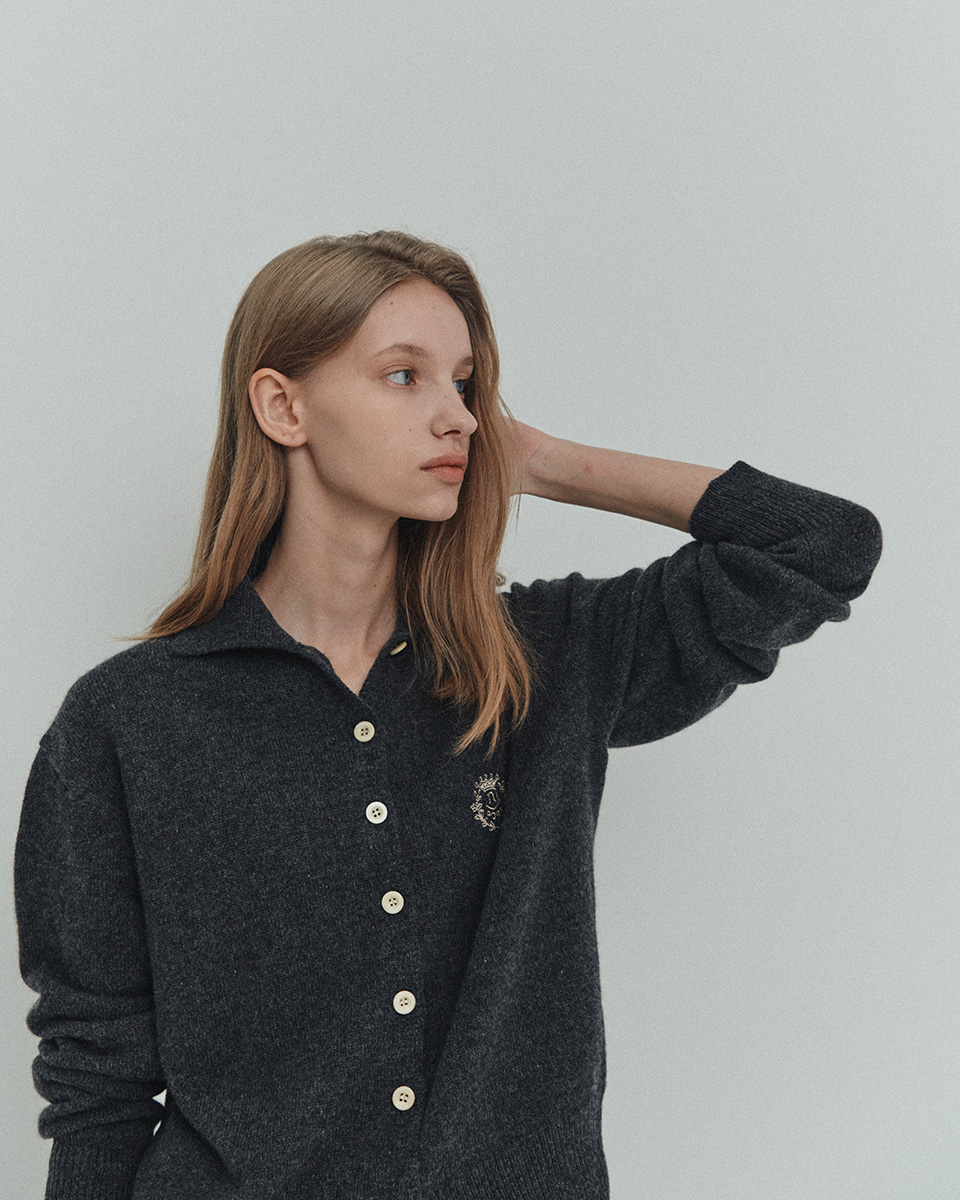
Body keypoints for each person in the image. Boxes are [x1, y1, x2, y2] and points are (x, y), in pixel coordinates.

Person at [14, 230, 883, 1200]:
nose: (458, 416)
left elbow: (824, 545)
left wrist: (543, 461)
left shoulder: (545, 659)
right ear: (282, 406)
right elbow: (97, 1083)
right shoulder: (128, 720)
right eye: (404, 376)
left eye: (465, 383)